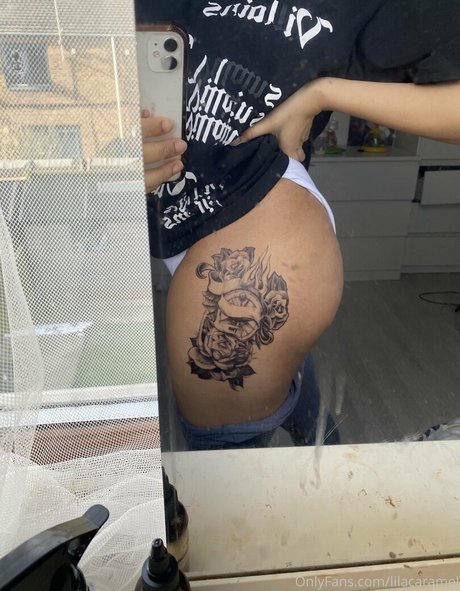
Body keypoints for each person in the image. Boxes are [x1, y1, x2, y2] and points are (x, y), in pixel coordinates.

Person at [137, 0, 460, 450]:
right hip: (166, 210)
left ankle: (310, 450)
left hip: (261, 208)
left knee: (224, 468)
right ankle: (320, 439)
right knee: (283, 371)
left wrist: (324, 94)